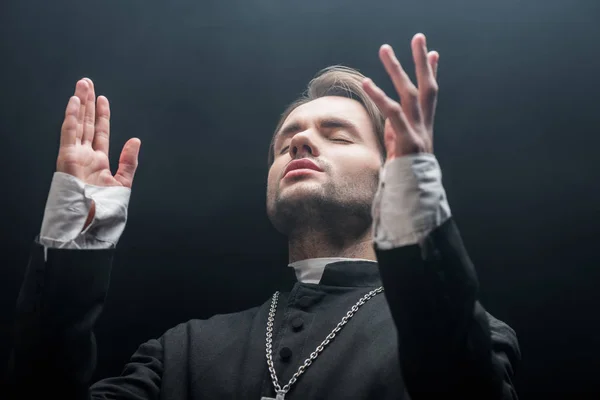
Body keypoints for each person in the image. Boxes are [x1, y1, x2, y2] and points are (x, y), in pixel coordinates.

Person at [7, 33, 520, 399]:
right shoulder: (182, 354)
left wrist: (416, 196)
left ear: (390, 178)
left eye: (337, 135)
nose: (300, 141)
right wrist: (75, 243)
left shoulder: (469, 336)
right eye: (285, 143)